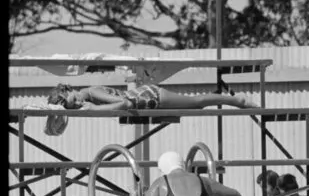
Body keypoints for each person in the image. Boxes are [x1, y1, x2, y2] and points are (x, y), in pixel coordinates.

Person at [47, 83, 258, 111]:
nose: (77, 104)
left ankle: (236, 100)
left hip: (150, 96)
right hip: (149, 102)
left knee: (196, 102)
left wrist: (96, 110)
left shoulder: (92, 92)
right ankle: (234, 101)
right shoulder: (88, 100)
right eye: (71, 107)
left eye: (72, 100)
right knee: (196, 104)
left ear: (69, 89)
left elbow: (126, 103)